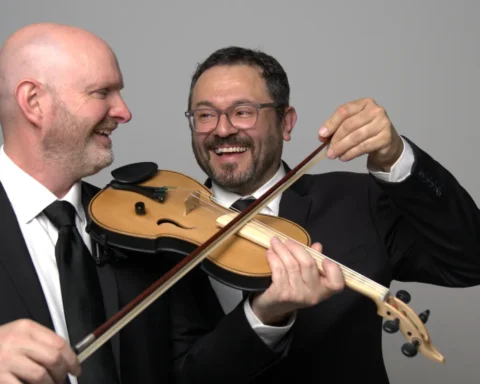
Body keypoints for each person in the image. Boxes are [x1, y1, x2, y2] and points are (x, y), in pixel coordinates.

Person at [0, 24, 346, 384]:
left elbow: (192, 375)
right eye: (102, 92)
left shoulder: (139, 226)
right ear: (33, 102)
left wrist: (266, 312)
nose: (123, 111)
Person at [184, 46, 480, 383]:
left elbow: (469, 261)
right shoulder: (158, 236)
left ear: (286, 122)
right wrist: (263, 317)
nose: (222, 130)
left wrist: (396, 157)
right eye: (205, 115)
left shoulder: (359, 201)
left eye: (243, 112)